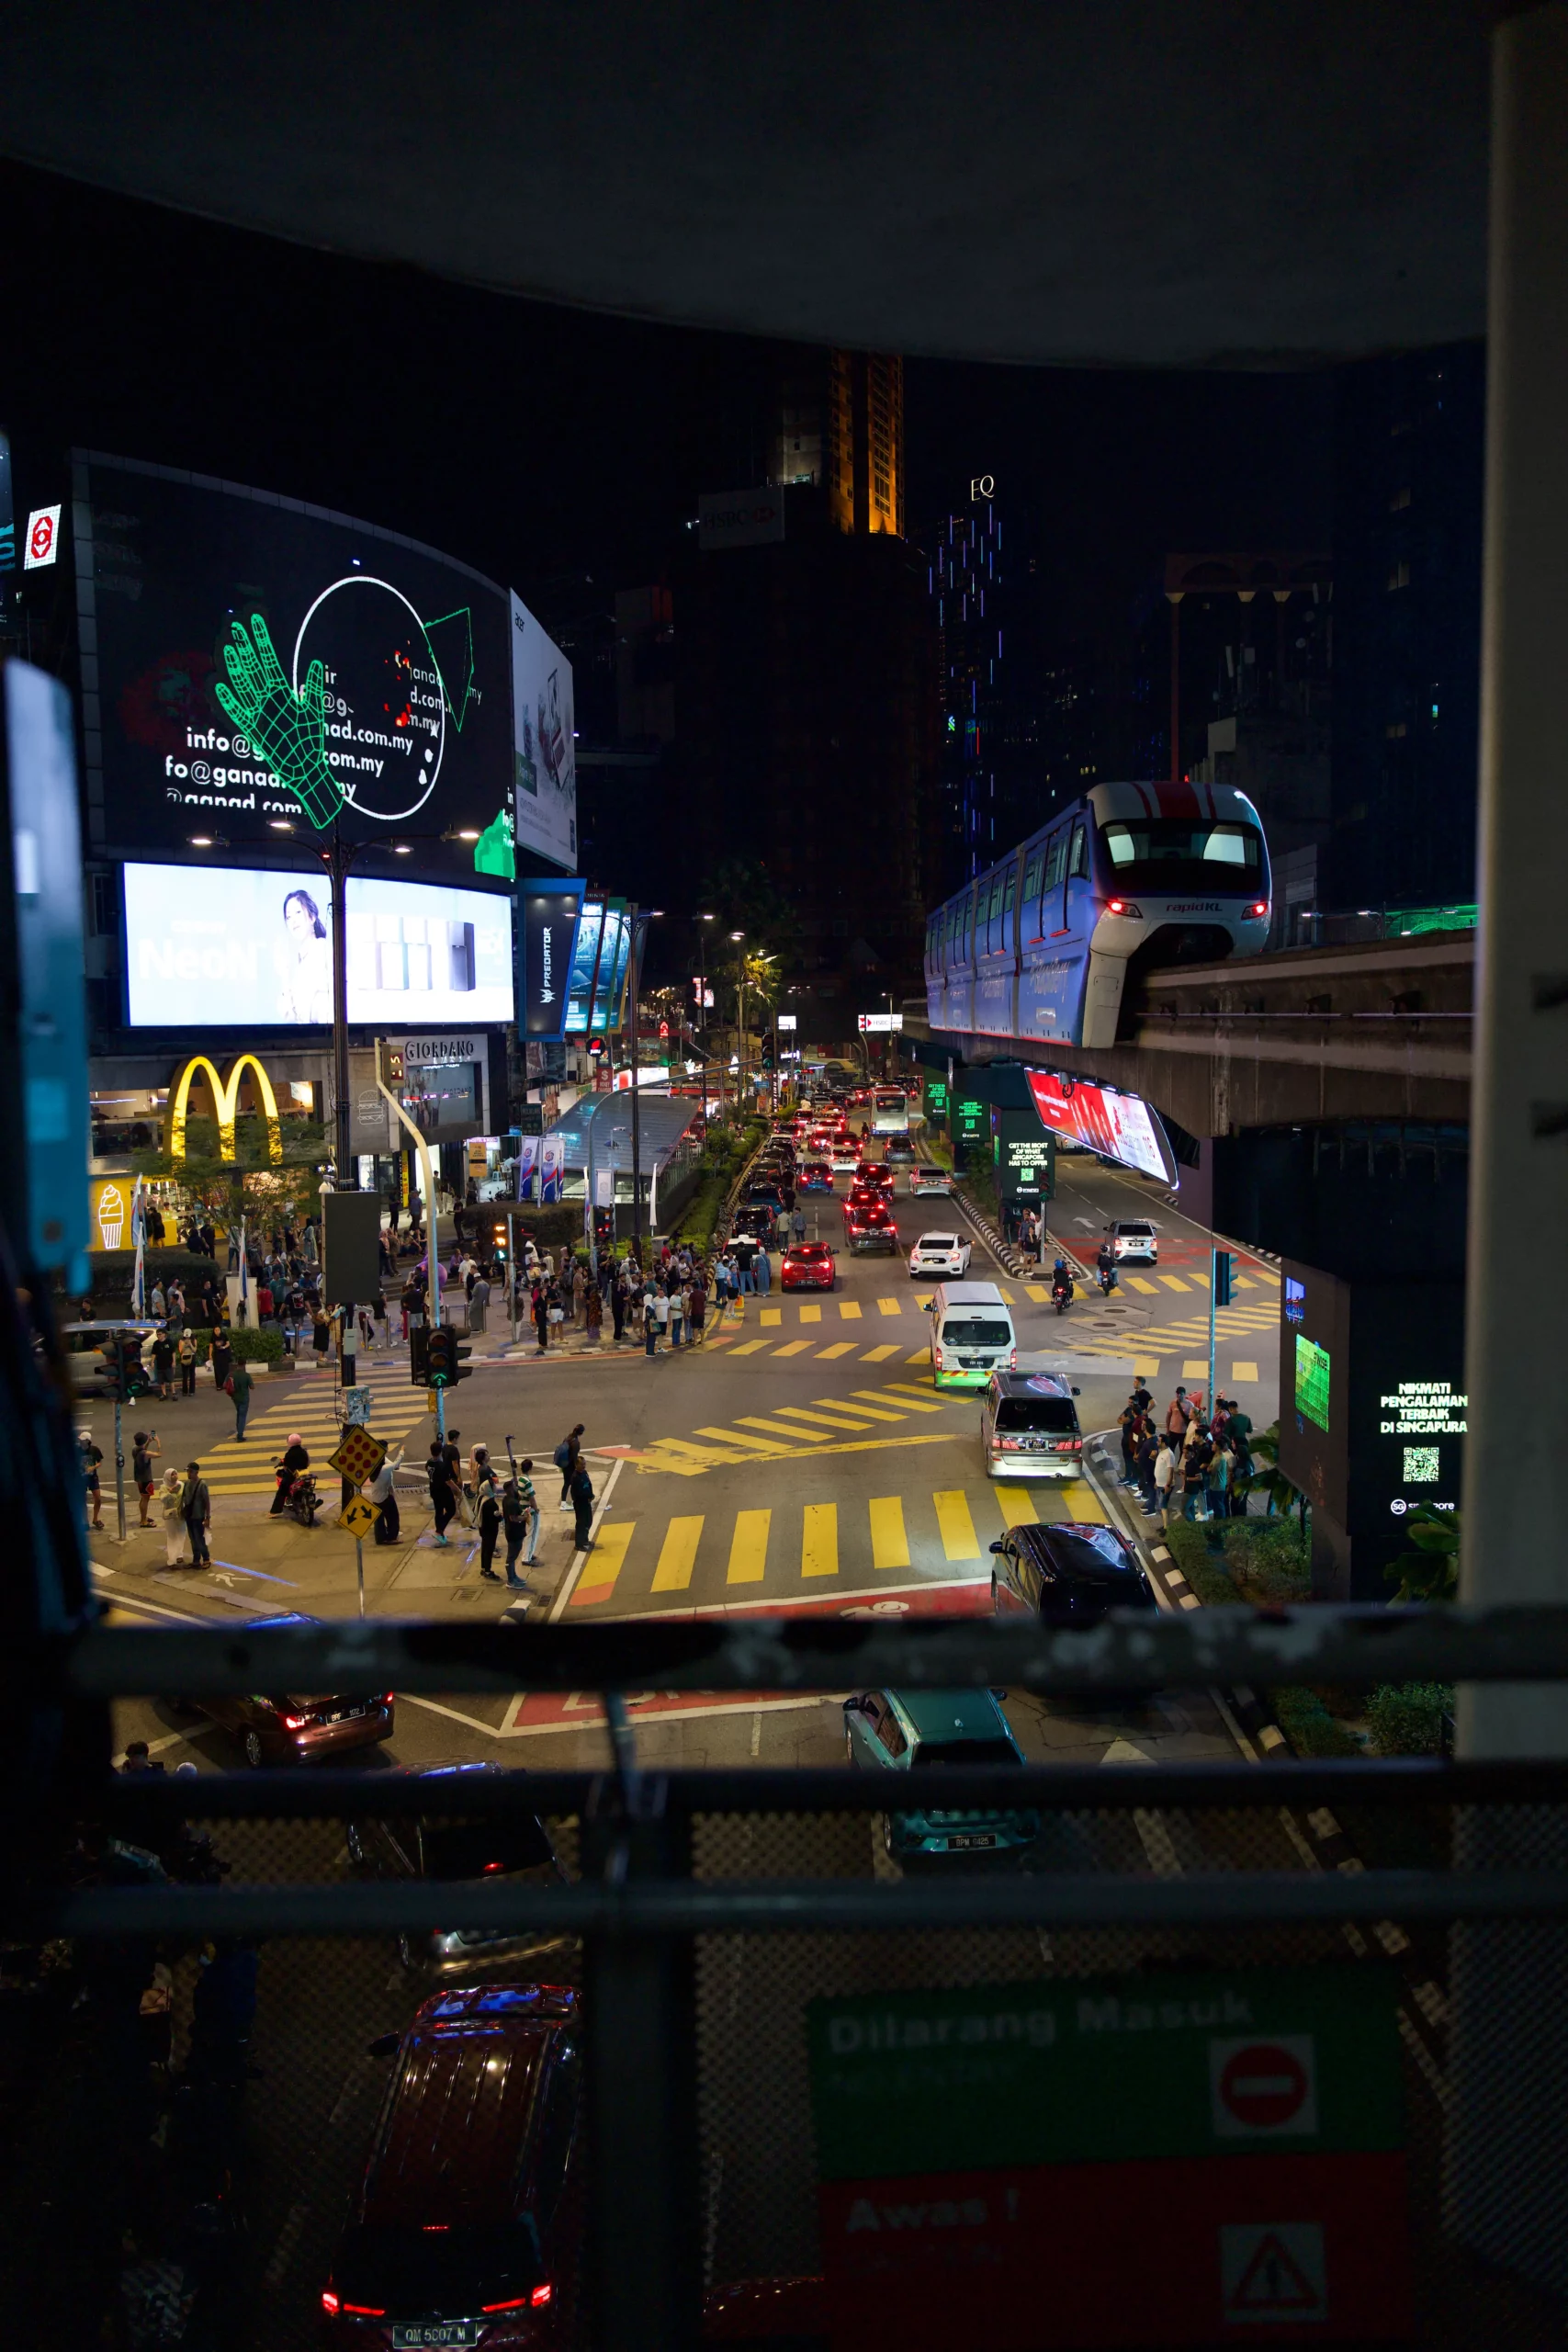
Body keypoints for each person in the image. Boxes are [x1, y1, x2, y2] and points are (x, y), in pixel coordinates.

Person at [473, 1449, 503, 1580]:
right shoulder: (491, 1504)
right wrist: (500, 1516)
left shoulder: (481, 1498)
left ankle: (483, 1568)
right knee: (488, 1549)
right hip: (489, 1530)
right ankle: (487, 1570)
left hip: (483, 1528)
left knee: (485, 1548)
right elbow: (496, 1518)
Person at [426, 1438, 459, 1546]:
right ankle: (439, 1530)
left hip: (434, 1490)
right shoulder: (442, 1466)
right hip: (443, 1492)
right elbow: (449, 1481)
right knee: (451, 1510)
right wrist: (457, 1490)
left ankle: (439, 1531)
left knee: (439, 1511)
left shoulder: (429, 1462)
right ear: (441, 1451)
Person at [369, 1445, 402, 1545]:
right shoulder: (384, 1469)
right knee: (393, 1517)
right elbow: (396, 1464)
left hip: (375, 1498)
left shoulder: (373, 1467)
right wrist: (402, 1451)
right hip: (384, 1497)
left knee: (379, 1521)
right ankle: (391, 1537)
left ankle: (380, 1539)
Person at [271, 1431, 310, 1516]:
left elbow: (285, 1467)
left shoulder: (289, 1454)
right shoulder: (304, 1451)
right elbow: (308, 1463)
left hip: (293, 1476)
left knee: (282, 1491)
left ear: (289, 1442)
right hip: (304, 1474)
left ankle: (275, 1511)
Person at [181, 1462, 211, 1567]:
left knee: (199, 1538)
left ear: (196, 1472)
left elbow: (207, 1501)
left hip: (198, 1516)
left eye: (191, 1472)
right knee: (193, 1539)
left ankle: (206, 1558)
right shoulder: (186, 1483)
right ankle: (196, 1559)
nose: (189, 1474)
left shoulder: (202, 1484)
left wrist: (207, 1517)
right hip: (189, 1516)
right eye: (188, 1471)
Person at [131, 1429, 162, 1528]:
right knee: (146, 1499)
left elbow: (143, 1448)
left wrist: (148, 1442)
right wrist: (158, 1442)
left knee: (142, 1498)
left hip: (139, 1477)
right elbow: (159, 1454)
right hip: (146, 1478)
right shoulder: (145, 1454)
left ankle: (143, 1517)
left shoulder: (135, 1449)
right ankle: (143, 1521)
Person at [159, 1466, 187, 1566]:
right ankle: (172, 1558)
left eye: (176, 1474)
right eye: (172, 1474)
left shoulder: (181, 1485)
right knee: (171, 1536)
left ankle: (179, 1555)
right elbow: (163, 1499)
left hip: (180, 1514)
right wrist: (170, 1491)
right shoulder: (164, 1487)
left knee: (181, 1535)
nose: (175, 1476)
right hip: (170, 1516)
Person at [555, 1424, 584, 1510]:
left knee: (567, 1484)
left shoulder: (568, 1437)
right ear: (581, 1433)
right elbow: (574, 1457)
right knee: (571, 1484)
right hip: (570, 1466)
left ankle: (564, 1503)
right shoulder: (576, 1443)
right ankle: (568, 1503)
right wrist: (577, 1467)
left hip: (565, 1465)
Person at [570, 1455, 595, 1552]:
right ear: (576, 1465)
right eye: (581, 1464)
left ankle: (585, 1540)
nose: (584, 1466)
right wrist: (586, 1498)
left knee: (588, 1521)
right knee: (581, 1523)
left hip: (587, 1502)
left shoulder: (584, 1473)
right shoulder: (575, 1477)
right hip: (580, 1504)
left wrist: (591, 1495)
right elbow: (576, 1493)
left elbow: (589, 1484)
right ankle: (579, 1544)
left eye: (584, 1464)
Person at [1153, 1430, 1177, 1529]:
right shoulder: (1161, 1452)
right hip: (1160, 1484)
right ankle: (1165, 1525)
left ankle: (1166, 1528)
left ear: (1163, 1443)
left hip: (1165, 1485)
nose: (1157, 1443)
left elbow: (1170, 1471)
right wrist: (1156, 1482)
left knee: (1163, 1506)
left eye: (1158, 1441)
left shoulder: (1169, 1454)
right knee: (1161, 1506)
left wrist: (1168, 1485)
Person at [81, 1431, 104, 1530]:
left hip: (92, 1477)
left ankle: (95, 1519)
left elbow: (99, 1462)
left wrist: (93, 1467)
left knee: (98, 1499)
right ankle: (85, 1521)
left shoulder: (95, 1450)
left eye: (83, 1440)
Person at [229, 1356, 253, 1441]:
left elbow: (225, 1384)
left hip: (235, 1397)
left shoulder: (232, 1374)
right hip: (244, 1398)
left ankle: (238, 1430)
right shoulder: (246, 1375)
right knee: (242, 1415)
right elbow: (252, 1387)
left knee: (239, 1413)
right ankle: (240, 1434)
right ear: (244, 1365)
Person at [151, 1326, 175, 1402]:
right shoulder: (156, 1343)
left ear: (164, 1334)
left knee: (171, 1380)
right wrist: (152, 1362)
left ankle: (173, 1393)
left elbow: (173, 1352)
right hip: (160, 1365)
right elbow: (154, 1354)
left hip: (168, 1364)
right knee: (161, 1381)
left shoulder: (169, 1342)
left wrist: (174, 1361)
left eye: (160, 1334)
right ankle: (164, 1394)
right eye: (157, 1335)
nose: (158, 1336)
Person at [177, 1326, 197, 1396]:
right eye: (186, 1337)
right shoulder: (181, 1341)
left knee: (192, 1375)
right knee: (185, 1376)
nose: (187, 1338)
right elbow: (180, 1351)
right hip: (184, 1358)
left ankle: (192, 1391)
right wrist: (184, 1345)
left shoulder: (194, 1340)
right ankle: (185, 1391)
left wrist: (190, 1344)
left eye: (188, 1336)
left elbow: (195, 1350)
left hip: (192, 1357)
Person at [468, 1272, 491, 1336]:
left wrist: (471, 1291)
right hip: (483, 1303)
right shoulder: (487, 1284)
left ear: (476, 1278)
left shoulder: (477, 1285)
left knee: (472, 1315)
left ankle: (475, 1328)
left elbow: (474, 1294)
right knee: (480, 1316)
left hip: (476, 1302)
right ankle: (481, 1327)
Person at [667, 1282, 685, 1351]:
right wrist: (679, 1309)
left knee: (679, 1328)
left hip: (680, 1315)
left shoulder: (679, 1297)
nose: (680, 1290)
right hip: (675, 1316)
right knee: (675, 1329)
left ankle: (678, 1341)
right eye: (678, 1289)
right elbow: (670, 1307)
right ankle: (674, 1342)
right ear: (675, 1290)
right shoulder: (672, 1298)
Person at [584, 1281, 603, 1347]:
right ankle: (594, 1335)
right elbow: (596, 1304)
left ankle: (594, 1334)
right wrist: (599, 1310)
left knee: (594, 1322)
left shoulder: (592, 1294)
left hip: (593, 1310)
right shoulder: (594, 1295)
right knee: (595, 1322)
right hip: (595, 1311)